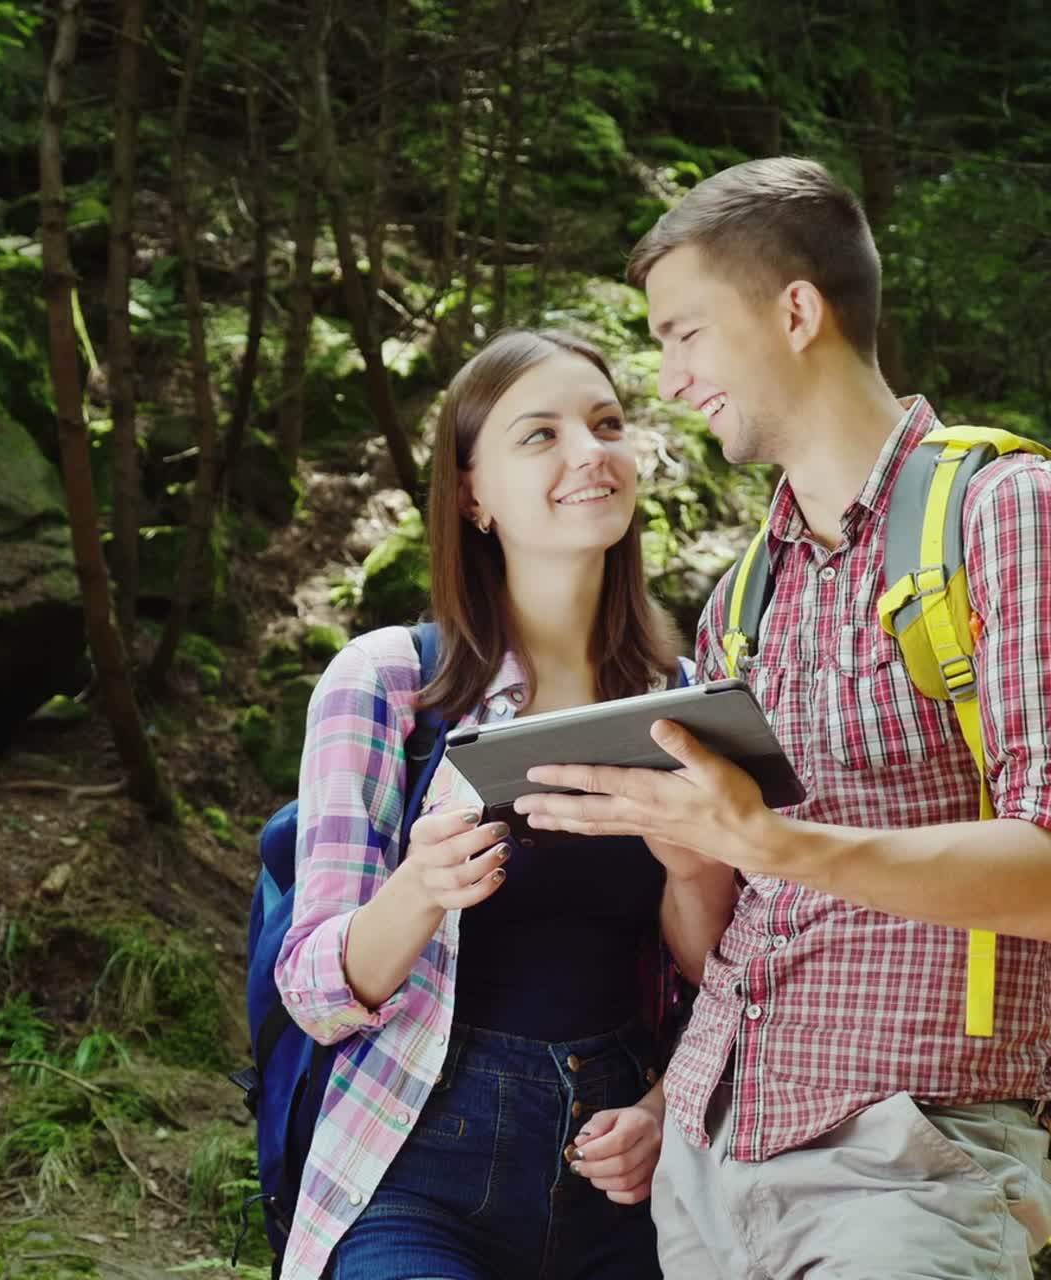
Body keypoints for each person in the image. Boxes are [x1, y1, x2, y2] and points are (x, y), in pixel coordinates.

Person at [512, 157, 1051, 1279]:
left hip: (911, 1163)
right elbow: (717, 945)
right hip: (709, 1176)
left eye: (683, 335)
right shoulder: (744, 597)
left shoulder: (1005, 515)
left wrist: (766, 840)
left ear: (794, 309)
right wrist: (687, 852)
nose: (669, 380)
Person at [273, 329, 697, 1280]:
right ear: (472, 496)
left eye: (606, 424)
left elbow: (735, 978)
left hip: (629, 1176)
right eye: (539, 435)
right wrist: (421, 888)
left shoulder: (692, 701)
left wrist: (666, 1106)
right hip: (419, 1162)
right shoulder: (389, 684)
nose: (590, 452)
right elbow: (314, 993)